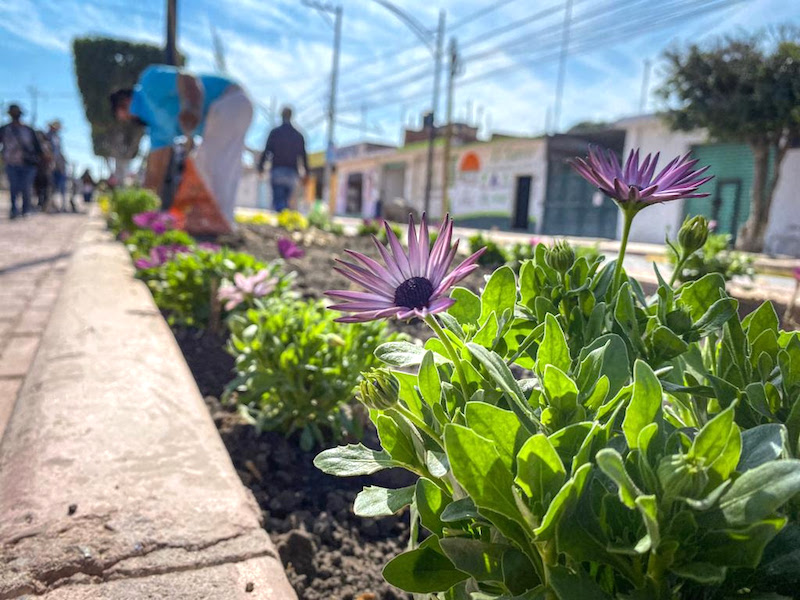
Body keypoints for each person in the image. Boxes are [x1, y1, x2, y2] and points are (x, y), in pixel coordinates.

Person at [110, 65, 253, 226]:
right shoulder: (157, 129)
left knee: (212, 166)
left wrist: (191, 108)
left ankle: (219, 224)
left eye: (123, 115)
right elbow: (156, 170)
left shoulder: (149, 82)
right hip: (224, 112)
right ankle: (218, 223)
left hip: (229, 100)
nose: (127, 120)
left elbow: (188, 79)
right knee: (212, 166)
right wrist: (144, 205)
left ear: (123, 103)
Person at [258, 107, 309, 212]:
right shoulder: (298, 135)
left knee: (279, 200)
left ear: (282, 116)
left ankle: (281, 217)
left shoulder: (275, 133)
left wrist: (261, 167)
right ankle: (283, 218)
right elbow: (303, 156)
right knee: (285, 200)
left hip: (277, 171)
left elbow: (267, 151)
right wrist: (307, 172)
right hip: (292, 173)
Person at [0, 104, 42, 219]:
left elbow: (38, 148)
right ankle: (14, 209)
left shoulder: (28, 130)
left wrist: (39, 160)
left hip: (28, 164)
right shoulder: (5, 129)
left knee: (26, 186)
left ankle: (25, 209)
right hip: (11, 163)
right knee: (13, 187)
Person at [46, 120, 73, 212]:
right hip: (51, 165)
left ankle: (63, 205)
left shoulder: (57, 137)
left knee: (62, 185)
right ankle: (51, 205)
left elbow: (59, 151)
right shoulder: (47, 137)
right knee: (51, 186)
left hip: (59, 166)